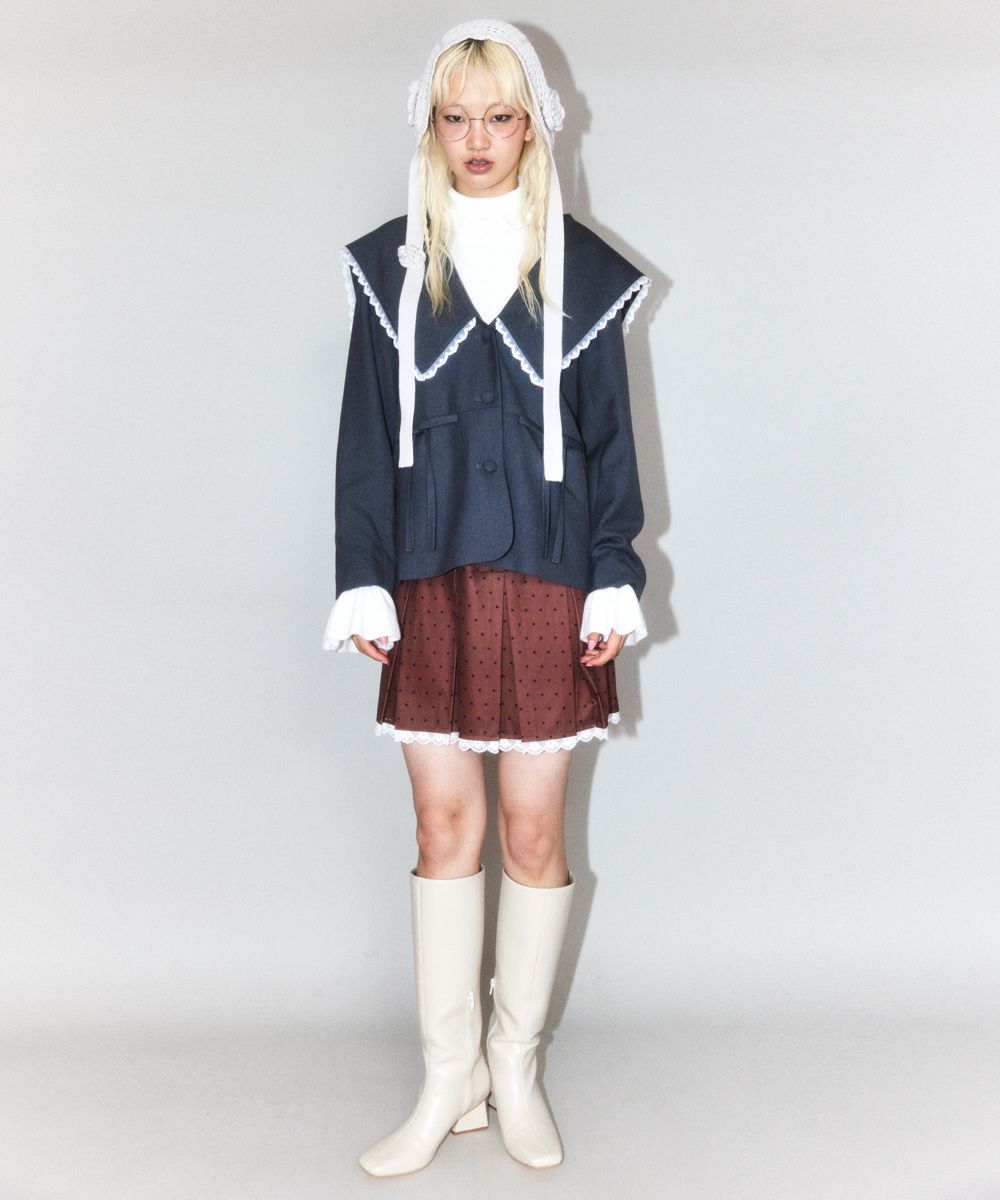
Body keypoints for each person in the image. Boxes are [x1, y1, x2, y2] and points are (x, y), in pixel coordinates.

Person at [322, 18, 652, 1177]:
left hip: (550, 578)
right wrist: (363, 576)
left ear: (531, 127)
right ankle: (447, 1076)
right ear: (430, 126)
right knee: (442, 829)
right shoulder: (388, 269)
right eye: (455, 117)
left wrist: (614, 571)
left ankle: (514, 1067)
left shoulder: (583, 275)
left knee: (531, 830)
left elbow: (609, 445)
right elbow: (364, 441)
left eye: (499, 116)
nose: (477, 139)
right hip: (428, 578)